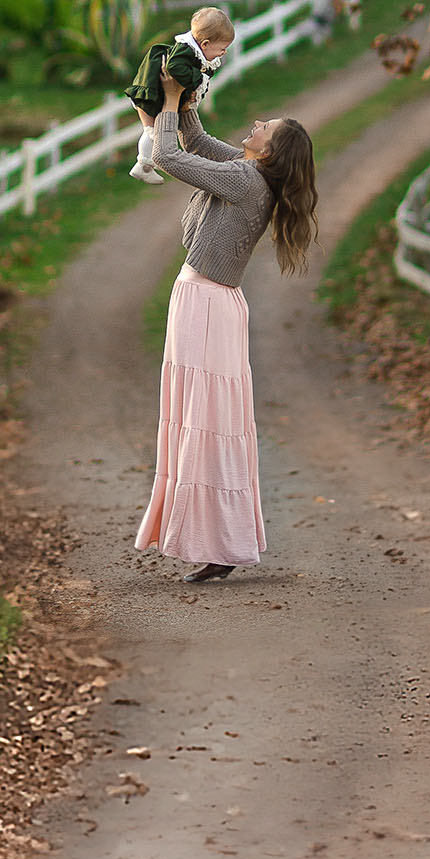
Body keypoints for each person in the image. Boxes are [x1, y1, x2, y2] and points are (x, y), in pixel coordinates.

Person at [134, 63, 319, 582]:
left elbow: (170, 156)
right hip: (208, 301)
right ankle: (218, 541)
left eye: (266, 127)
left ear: (270, 151)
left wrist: (169, 100)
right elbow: (195, 140)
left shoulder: (244, 179)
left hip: (207, 305)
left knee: (205, 423)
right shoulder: (246, 168)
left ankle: (218, 542)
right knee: (207, 421)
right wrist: (186, 92)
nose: (257, 123)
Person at [124, 5, 235, 184]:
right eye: (222, 48)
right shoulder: (186, 51)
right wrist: (196, 79)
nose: (224, 52)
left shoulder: (193, 53)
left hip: (161, 91)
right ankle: (148, 162)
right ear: (205, 44)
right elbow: (173, 67)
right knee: (152, 130)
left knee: (153, 129)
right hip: (154, 91)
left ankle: (144, 165)